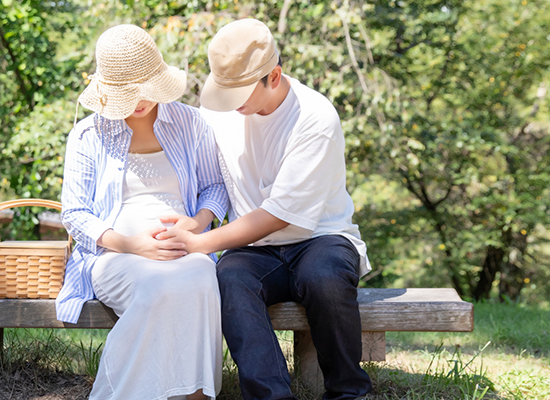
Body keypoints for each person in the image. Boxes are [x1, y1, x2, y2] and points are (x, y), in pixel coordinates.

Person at [157, 18, 373, 400]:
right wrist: (198, 220)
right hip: (255, 249)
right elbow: (202, 169)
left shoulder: (314, 118)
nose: (231, 104)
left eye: (239, 93)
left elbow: (278, 215)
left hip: (319, 236)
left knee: (324, 279)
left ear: (273, 76)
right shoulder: (222, 111)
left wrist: (198, 243)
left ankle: (348, 392)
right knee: (229, 279)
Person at [55, 24, 228, 400]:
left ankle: (194, 395)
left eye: (145, 90)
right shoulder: (88, 135)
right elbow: (76, 213)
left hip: (186, 247)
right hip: (115, 253)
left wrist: (197, 224)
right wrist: (133, 245)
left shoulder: (191, 123)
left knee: (201, 275)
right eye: (128, 95)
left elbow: (216, 187)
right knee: (155, 287)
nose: (139, 102)